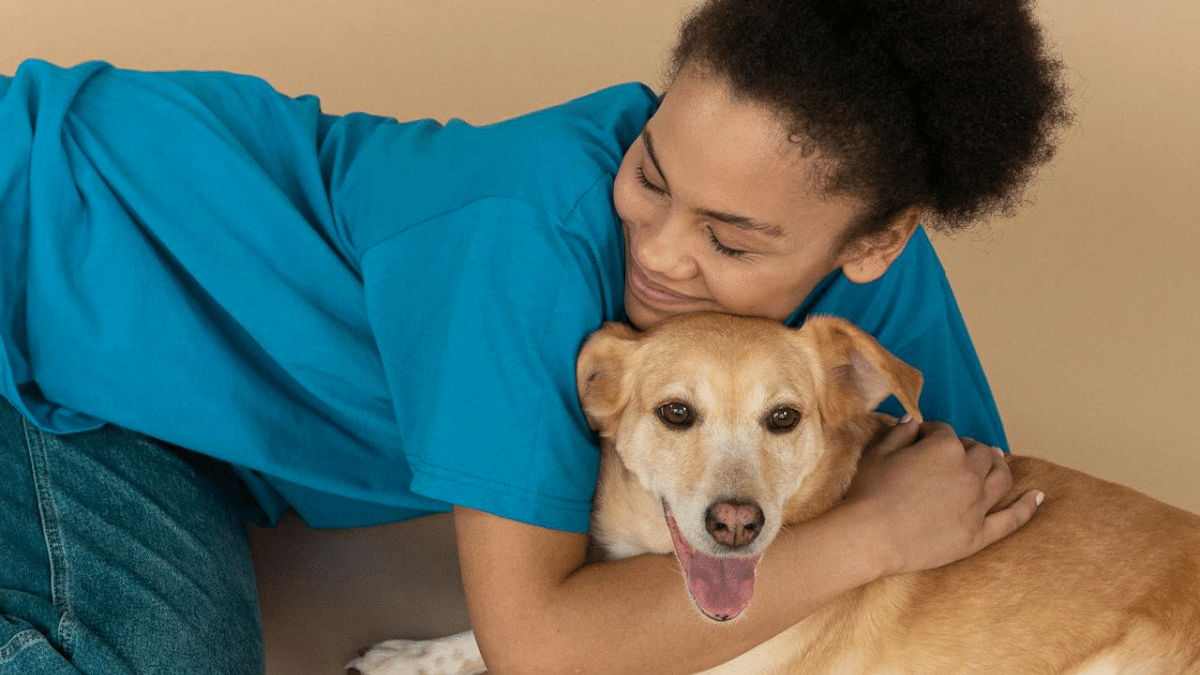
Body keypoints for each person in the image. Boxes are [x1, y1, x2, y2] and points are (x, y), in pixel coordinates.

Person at [0, 0, 1070, 673]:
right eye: (651, 172)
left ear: (876, 244)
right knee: (143, 654)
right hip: (35, 261)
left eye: (731, 238)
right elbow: (543, 648)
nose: (659, 250)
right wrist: (869, 538)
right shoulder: (528, 238)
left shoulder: (870, 296)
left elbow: (972, 526)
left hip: (158, 409)